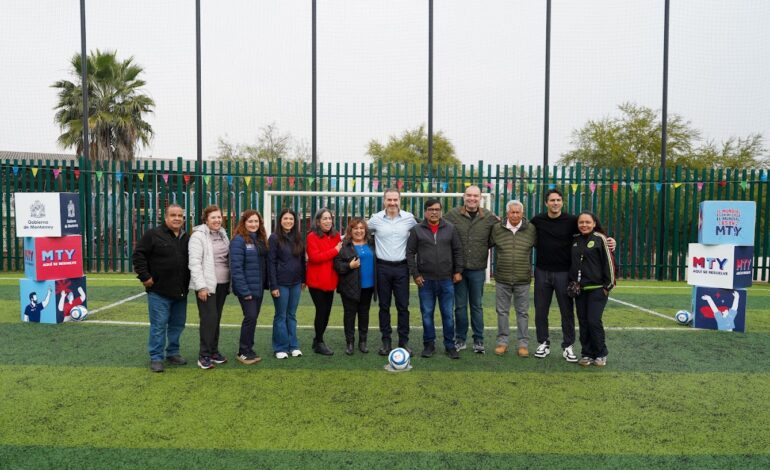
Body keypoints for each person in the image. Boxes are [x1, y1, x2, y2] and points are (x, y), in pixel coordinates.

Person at [530, 188, 615, 363]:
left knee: (567, 312)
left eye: (558, 200)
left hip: (564, 274)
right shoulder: (537, 220)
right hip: (542, 272)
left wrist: (610, 240)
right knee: (540, 310)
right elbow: (521, 228)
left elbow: (590, 231)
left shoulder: (572, 221)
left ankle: (568, 346)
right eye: (552, 200)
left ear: (562, 202)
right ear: (546, 203)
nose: (555, 203)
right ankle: (543, 343)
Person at [132, 204, 191, 373]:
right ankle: (156, 357)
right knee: (159, 325)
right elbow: (138, 255)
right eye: (173, 215)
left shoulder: (186, 237)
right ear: (166, 217)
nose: (177, 218)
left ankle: (172, 353)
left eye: (180, 215)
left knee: (177, 325)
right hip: (159, 291)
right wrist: (145, 277)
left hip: (180, 291)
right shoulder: (153, 234)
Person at [407, 199, 464, 359]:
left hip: (447, 280)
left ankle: (450, 346)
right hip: (425, 281)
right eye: (431, 209)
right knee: (427, 314)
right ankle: (429, 345)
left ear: (441, 211)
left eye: (437, 209)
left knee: (447, 314)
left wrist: (458, 270)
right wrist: (416, 274)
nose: (434, 212)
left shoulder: (450, 228)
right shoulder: (417, 230)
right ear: (425, 211)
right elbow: (410, 253)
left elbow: (458, 250)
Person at [444, 184, 498, 354]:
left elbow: (494, 238)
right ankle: (460, 339)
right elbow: (441, 230)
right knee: (459, 306)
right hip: (458, 270)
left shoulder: (489, 217)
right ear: (464, 197)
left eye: (475, 196)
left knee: (477, 306)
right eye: (469, 195)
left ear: (480, 198)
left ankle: (479, 340)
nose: (472, 198)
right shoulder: (452, 215)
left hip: (477, 270)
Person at [367, 188, 417, 356]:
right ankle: (386, 341)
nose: (392, 203)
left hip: (402, 268)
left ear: (400, 200)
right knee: (384, 306)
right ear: (384, 201)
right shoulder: (375, 219)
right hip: (382, 268)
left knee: (403, 306)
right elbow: (357, 231)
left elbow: (424, 230)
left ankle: (403, 341)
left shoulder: (409, 219)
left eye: (395, 200)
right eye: (389, 200)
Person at [489, 200, 537, 357]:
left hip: (523, 278)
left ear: (522, 214)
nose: (515, 215)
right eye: (512, 212)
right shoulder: (497, 229)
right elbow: (485, 243)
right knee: (502, 311)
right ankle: (502, 342)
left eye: (518, 212)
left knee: (522, 312)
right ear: (507, 213)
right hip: (502, 277)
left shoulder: (531, 229)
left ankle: (523, 344)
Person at [571, 211, 616, 367]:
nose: (584, 225)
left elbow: (609, 262)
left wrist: (608, 286)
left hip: (598, 289)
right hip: (580, 290)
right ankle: (587, 353)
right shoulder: (575, 240)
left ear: (594, 223)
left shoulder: (600, 239)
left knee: (593, 321)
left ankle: (601, 353)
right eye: (581, 222)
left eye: (587, 222)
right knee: (583, 322)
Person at [189, 205, 231, 370]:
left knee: (216, 319)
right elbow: (194, 263)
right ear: (206, 220)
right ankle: (204, 355)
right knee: (209, 319)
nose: (217, 220)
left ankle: (214, 351)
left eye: (219, 217)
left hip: (222, 284)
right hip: (207, 286)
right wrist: (201, 287)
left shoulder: (223, 234)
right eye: (213, 217)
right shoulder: (198, 236)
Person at [230, 210, 269, 365]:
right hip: (247, 289)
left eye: (256, 222)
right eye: (250, 221)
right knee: (250, 317)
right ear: (244, 223)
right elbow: (236, 268)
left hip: (258, 288)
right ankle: (243, 351)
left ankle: (249, 349)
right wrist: (244, 291)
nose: (254, 224)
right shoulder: (239, 240)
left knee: (253, 319)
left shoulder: (259, 239)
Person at [334, 218, 377, 355]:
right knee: (349, 315)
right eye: (355, 228)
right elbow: (337, 265)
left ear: (366, 230)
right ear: (350, 231)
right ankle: (350, 343)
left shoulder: (372, 244)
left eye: (361, 228)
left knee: (364, 315)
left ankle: (362, 342)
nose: (359, 231)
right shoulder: (344, 245)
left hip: (368, 287)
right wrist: (349, 266)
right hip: (349, 287)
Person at [268, 208, 306, 359]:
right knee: (280, 316)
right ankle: (280, 347)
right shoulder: (274, 237)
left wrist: (304, 279)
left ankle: (293, 346)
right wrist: (274, 285)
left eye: (291, 219)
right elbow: (271, 262)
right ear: (280, 220)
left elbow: (302, 261)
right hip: (281, 284)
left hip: (296, 283)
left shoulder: (298, 237)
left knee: (292, 315)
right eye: (285, 218)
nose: (288, 221)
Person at [306, 208, 342, 356]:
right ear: (318, 221)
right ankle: (320, 342)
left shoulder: (336, 235)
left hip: (331, 281)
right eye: (324, 219)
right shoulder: (312, 237)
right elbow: (314, 258)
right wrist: (335, 250)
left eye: (330, 218)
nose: (328, 221)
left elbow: (340, 254)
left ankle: (317, 339)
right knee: (321, 311)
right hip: (316, 281)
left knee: (327, 312)